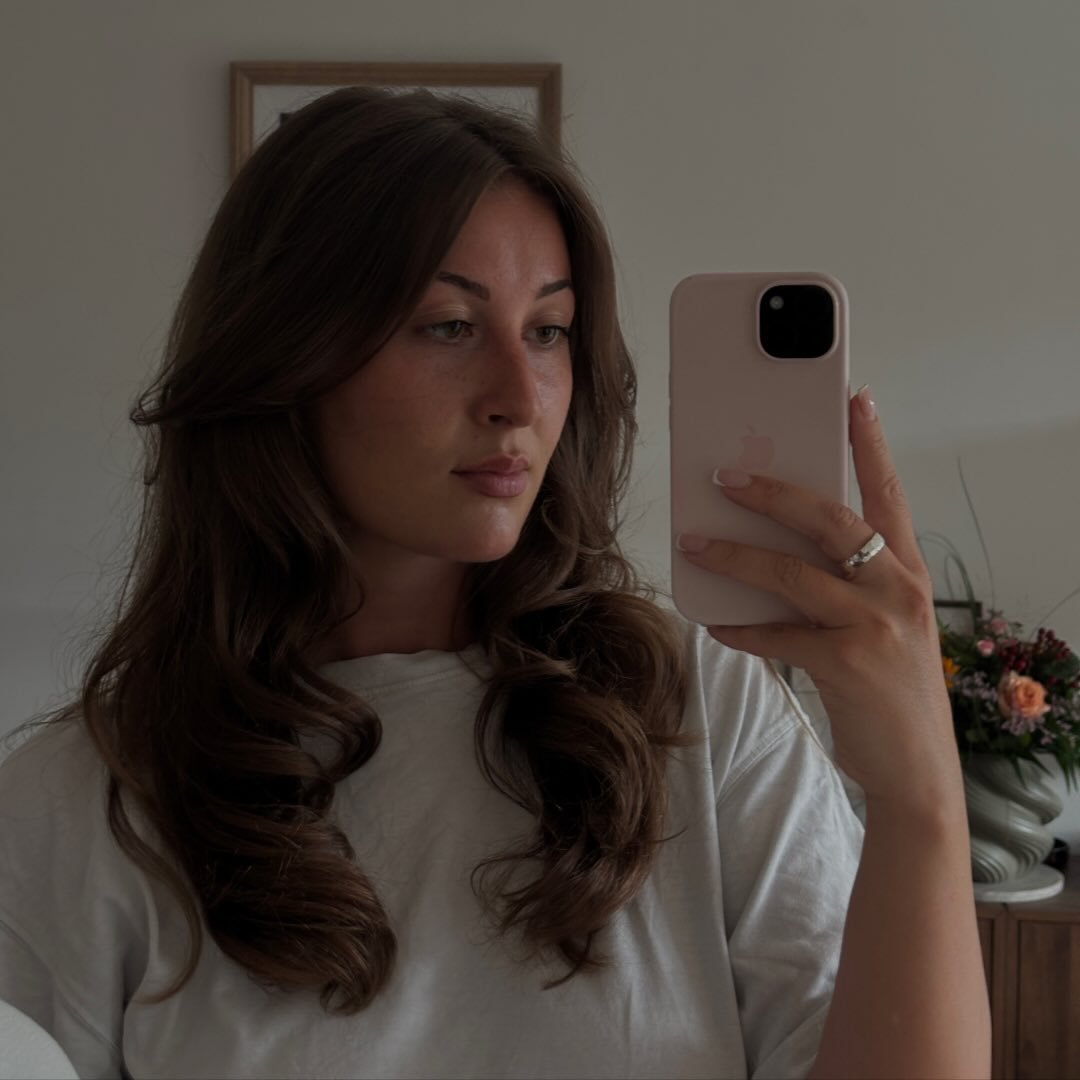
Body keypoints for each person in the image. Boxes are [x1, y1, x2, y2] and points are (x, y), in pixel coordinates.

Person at [0, 86, 990, 1079]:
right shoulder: (84, 804)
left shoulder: (698, 713)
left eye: (549, 330)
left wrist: (919, 799)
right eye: (448, 326)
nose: (520, 398)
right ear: (283, 353)